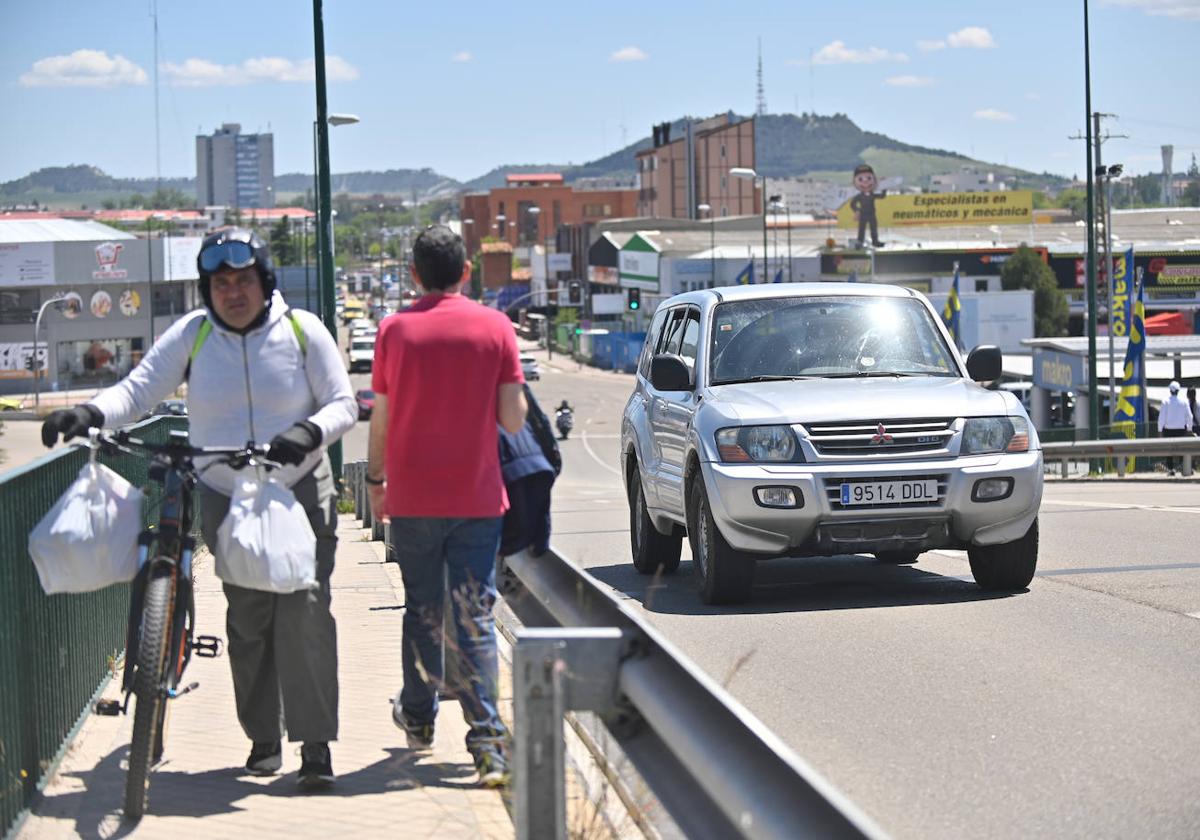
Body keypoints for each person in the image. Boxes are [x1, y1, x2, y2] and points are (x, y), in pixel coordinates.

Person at [41, 228, 356, 788]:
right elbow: (137, 392)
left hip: (300, 486)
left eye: (244, 280)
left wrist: (308, 432)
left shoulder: (304, 332)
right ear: (208, 290)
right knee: (249, 619)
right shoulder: (194, 335)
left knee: (304, 614)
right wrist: (88, 414)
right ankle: (263, 737)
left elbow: (342, 403)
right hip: (225, 494)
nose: (233, 292)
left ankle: (314, 746)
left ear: (265, 281)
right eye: (221, 283)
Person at [366, 224, 526, 788]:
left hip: (412, 500)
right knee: (474, 616)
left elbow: (380, 418)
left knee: (422, 610)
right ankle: (487, 744)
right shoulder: (496, 327)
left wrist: (375, 480)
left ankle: (418, 718)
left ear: (413, 276)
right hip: (477, 499)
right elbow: (512, 418)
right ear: (466, 272)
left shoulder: (394, 330)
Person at [1157, 380, 1193, 475]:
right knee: (1181, 450)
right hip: (1181, 430)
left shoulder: (1165, 401)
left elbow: (1161, 417)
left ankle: (1170, 470)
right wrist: (1189, 429)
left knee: (1170, 451)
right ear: (1178, 391)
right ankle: (1182, 468)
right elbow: (1190, 416)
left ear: (1170, 390)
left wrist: (1160, 430)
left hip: (1168, 430)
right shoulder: (1184, 402)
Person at [849, 164, 885, 249]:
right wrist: (857, 210)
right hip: (863, 214)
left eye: (869, 178)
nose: (865, 182)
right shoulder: (859, 196)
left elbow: (882, 196)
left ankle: (875, 241)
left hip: (872, 214)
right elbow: (852, 204)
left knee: (873, 228)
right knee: (861, 229)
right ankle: (860, 242)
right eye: (861, 179)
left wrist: (884, 187)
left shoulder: (873, 194)